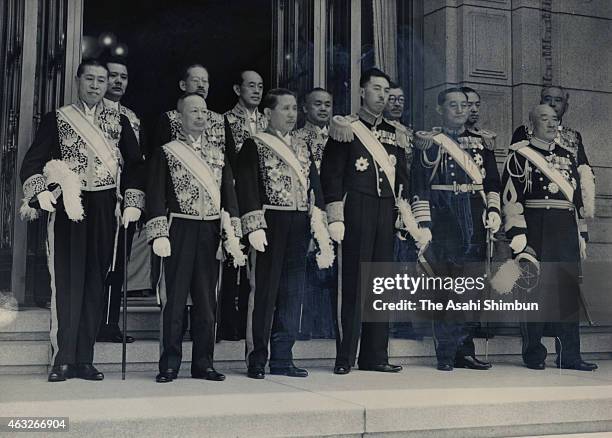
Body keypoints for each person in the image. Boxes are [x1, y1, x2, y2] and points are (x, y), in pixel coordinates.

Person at [19, 59, 144, 382]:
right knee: (67, 281)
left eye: (101, 81)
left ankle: (85, 358)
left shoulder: (121, 121)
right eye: (89, 79)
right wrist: (39, 193)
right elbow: (32, 161)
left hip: (104, 207)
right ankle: (63, 358)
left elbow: (135, 165)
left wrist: (132, 201)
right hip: (69, 207)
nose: (95, 85)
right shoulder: (58, 119)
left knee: (94, 281)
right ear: (77, 81)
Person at [321, 68, 420, 375]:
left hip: (386, 212)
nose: (382, 95)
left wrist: (405, 218)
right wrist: (335, 215)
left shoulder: (396, 134)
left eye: (386, 90)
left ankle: (375, 355)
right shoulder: (345, 127)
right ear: (362, 92)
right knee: (352, 283)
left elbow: (403, 180)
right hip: (356, 209)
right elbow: (331, 173)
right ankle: (345, 356)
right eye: (376, 89)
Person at [146, 92, 245, 383]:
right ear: (180, 117)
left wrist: (233, 235)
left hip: (210, 232)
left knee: (207, 302)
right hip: (178, 230)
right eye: (194, 111)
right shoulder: (166, 151)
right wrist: (158, 233)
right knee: (174, 301)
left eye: (204, 111)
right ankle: (169, 364)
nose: (201, 116)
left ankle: (204, 363)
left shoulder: (219, 154)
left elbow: (230, 197)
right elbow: (154, 195)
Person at [235, 88, 334, 379]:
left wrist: (319, 220)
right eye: (285, 108)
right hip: (269, 224)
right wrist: (253, 226)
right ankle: (257, 358)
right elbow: (246, 186)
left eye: (294, 109)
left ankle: (282, 357)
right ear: (268, 113)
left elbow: (315, 185)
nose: (292, 114)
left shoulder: (302, 146)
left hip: (298, 225)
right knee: (264, 293)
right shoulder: (254, 144)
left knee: (293, 293)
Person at [501, 104, 597, 371]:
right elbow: (511, 199)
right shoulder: (519, 156)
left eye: (555, 119)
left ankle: (569, 355)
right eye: (544, 119)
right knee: (534, 294)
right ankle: (534, 353)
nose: (551, 123)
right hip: (535, 230)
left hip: (565, 231)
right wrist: (518, 236)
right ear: (531, 125)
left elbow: (577, 201)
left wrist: (581, 234)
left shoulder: (568, 156)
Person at [411, 87, 500, 371]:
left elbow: (493, 182)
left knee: (472, 287)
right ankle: (446, 353)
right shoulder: (430, 142)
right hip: (444, 215)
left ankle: (465, 350)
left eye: (464, 105)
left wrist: (494, 210)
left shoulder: (482, 142)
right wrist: (423, 223)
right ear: (440, 109)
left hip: (474, 215)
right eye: (453, 105)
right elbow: (419, 184)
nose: (460, 110)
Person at [217, 70, 268, 342]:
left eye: (260, 86)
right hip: (235, 196)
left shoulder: (268, 120)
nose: (256, 91)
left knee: (259, 264)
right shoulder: (224, 120)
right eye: (251, 86)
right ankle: (228, 320)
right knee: (233, 259)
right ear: (238, 89)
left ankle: (253, 322)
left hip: (264, 200)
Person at [97, 55, 144, 344]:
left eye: (122, 77)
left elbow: (137, 161)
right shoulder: (87, 114)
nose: (117, 81)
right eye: (112, 75)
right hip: (95, 198)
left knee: (118, 264)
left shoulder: (131, 117)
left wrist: (134, 199)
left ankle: (109, 323)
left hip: (122, 199)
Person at [511, 85, 595, 222]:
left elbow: (583, 171)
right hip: (534, 210)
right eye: (547, 99)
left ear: (565, 107)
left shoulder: (573, 136)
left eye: (558, 100)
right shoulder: (524, 132)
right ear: (540, 103)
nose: (552, 104)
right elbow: (514, 174)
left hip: (565, 211)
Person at [293, 87, 336, 340]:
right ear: (305, 108)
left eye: (327, 104)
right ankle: (305, 326)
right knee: (306, 267)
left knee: (332, 267)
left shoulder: (340, 137)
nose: (323, 109)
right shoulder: (297, 138)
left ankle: (330, 327)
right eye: (317, 104)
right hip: (307, 208)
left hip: (336, 210)